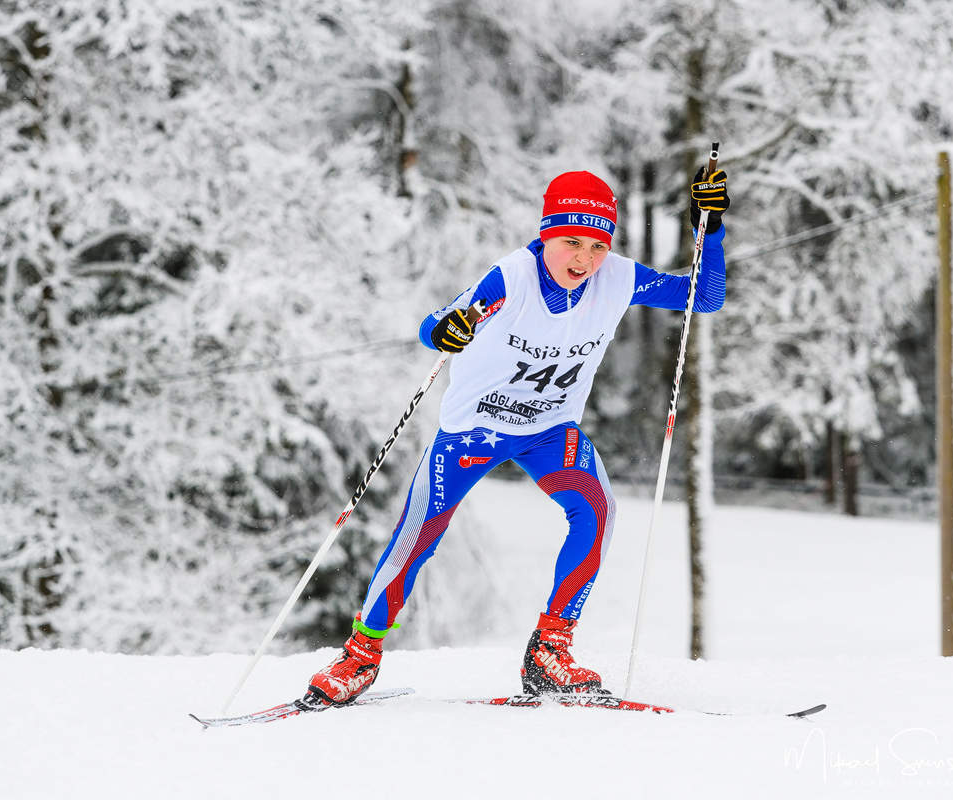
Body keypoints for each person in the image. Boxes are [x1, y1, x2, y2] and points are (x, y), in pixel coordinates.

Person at [304, 166, 729, 705]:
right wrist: (445, 329)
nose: (585, 259)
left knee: (597, 514)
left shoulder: (618, 278)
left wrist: (708, 230)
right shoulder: (512, 278)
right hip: (475, 430)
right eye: (571, 241)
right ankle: (359, 657)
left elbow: (704, 298)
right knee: (418, 538)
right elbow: (436, 322)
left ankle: (550, 651)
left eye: (598, 245)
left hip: (548, 429)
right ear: (547, 233)